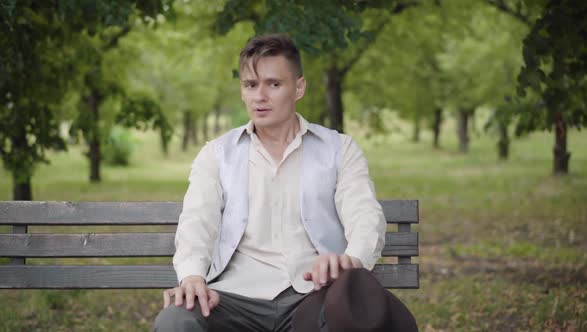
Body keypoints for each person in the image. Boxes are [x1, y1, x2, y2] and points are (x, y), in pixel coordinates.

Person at [153, 34, 417, 332]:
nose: (259, 96)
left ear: (299, 87)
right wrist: (191, 276)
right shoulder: (217, 154)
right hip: (233, 297)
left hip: (312, 296)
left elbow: (365, 214)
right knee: (176, 321)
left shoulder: (339, 149)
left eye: (273, 84)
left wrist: (351, 261)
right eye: (251, 85)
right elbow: (197, 221)